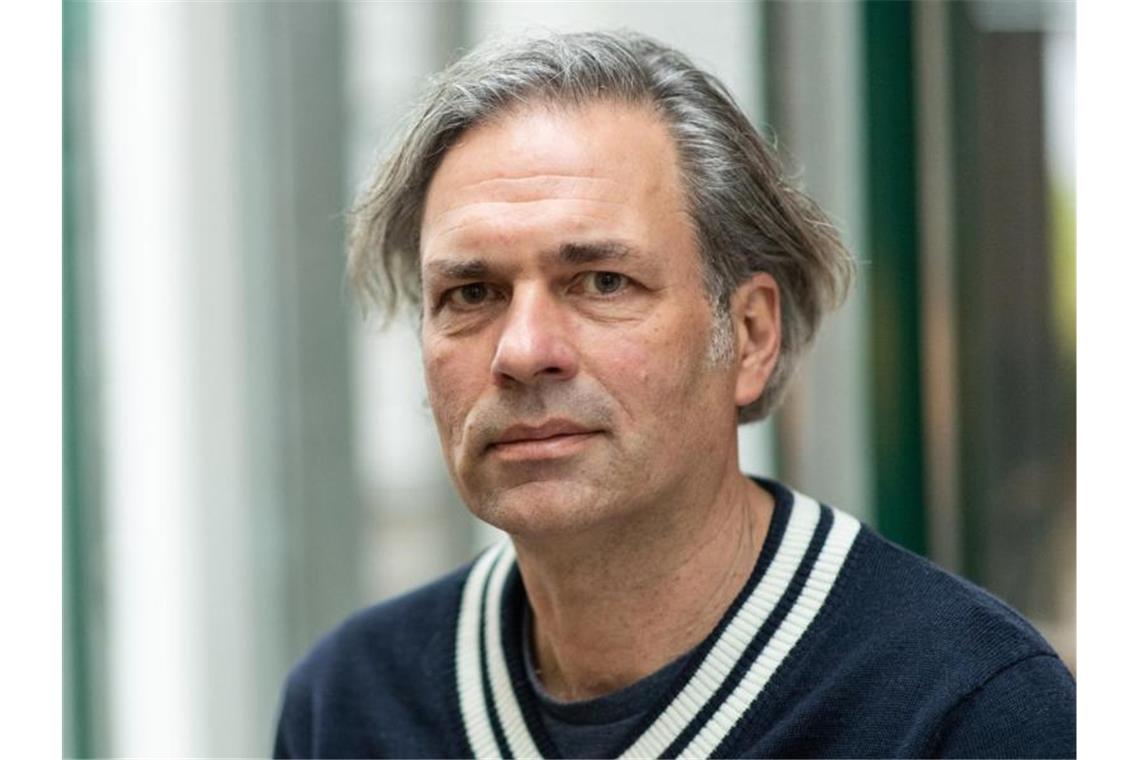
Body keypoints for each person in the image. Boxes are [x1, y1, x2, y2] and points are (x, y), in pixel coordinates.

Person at [273, 30, 1075, 759]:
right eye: (471, 294)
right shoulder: (349, 704)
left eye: (601, 281)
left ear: (752, 334)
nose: (522, 352)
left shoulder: (968, 709)